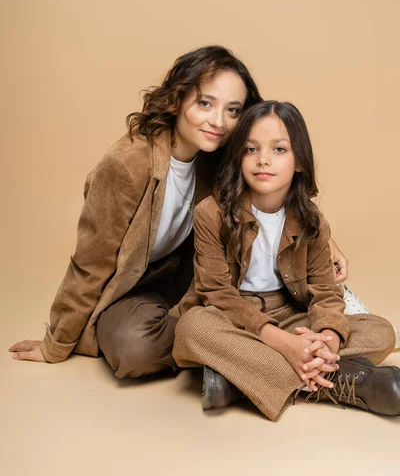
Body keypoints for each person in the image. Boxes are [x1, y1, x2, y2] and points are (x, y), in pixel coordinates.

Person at [9, 49, 348, 377]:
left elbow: (278, 169)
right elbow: (90, 265)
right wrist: (57, 344)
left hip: (200, 282)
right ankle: (277, 354)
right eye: (205, 104)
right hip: (136, 289)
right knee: (135, 349)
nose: (218, 121)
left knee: (330, 316)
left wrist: (326, 240)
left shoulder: (219, 154)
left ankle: (274, 352)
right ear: (177, 99)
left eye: (233, 110)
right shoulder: (127, 165)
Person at [173, 101, 399, 419]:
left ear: (299, 162)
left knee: (381, 331)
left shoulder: (312, 221)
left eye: (279, 149)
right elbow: (216, 292)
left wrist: (328, 340)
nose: (263, 159)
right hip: (233, 315)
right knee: (192, 327)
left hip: (292, 315)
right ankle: (342, 382)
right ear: (238, 157)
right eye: (251, 149)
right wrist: (282, 343)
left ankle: (237, 382)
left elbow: (325, 291)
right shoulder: (211, 213)